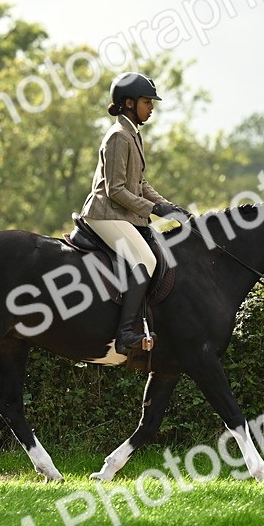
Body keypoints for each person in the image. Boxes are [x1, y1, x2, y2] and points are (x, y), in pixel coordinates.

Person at [80, 72, 192, 354]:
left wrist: (168, 207)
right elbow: (115, 190)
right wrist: (154, 209)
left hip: (121, 214)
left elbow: (139, 183)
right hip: (104, 214)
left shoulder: (132, 134)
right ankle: (126, 333)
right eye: (146, 102)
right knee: (145, 260)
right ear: (128, 103)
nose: (151, 107)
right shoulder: (118, 136)